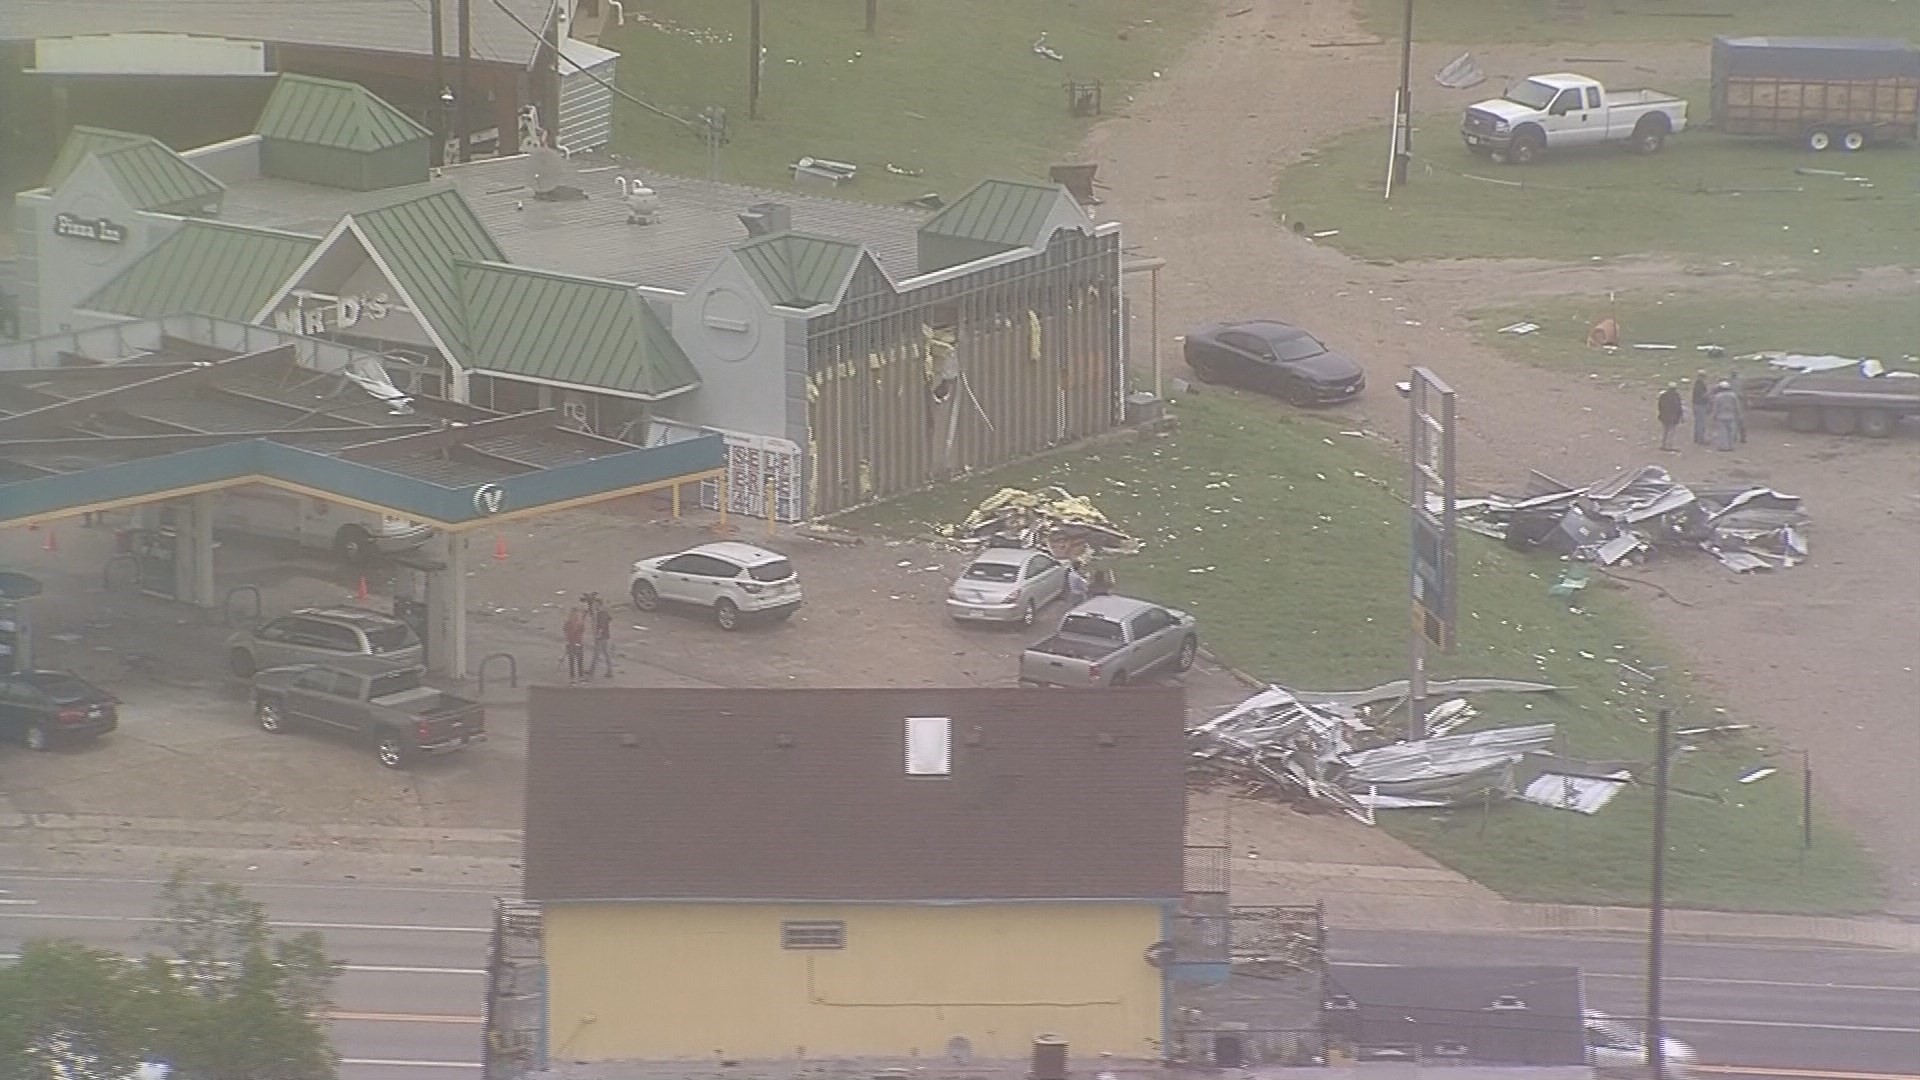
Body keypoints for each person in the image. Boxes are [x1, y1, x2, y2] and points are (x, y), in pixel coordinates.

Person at [1708, 380, 1742, 451]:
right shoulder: (1733, 395)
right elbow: (1737, 406)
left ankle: (1724, 446)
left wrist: (1713, 415)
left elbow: (1715, 407)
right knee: (1731, 431)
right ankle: (1731, 446)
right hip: (1731, 415)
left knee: (1722, 432)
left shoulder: (1718, 396)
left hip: (1721, 416)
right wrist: (1738, 414)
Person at [586, 594, 614, 679]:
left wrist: (598, 635)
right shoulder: (603, 612)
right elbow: (610, 619)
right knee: (606, 654)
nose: (594, 606)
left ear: (598, 604)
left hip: (601, 637)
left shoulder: (601, 613)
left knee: (596, 655)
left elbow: (601, 626)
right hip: (605, 636)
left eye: (595, 604)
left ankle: (591, 672)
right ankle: (609, 671)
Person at [1656, 382, 1684, 452]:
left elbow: (1660, 406)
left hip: (1664, 416)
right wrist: (1680, 416)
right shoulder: (1676, 396)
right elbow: (1678, 407)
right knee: (1671, 431)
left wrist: (1661, 413)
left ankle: (1663, 444)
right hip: (1673, 417)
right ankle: (1669, 446)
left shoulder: (1663, 395)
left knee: (1665, 431)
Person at [562, 605, 587, 682]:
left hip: (573, 643)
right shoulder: (576, 623)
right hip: (575, 643)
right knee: (577, 661)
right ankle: (578, 677)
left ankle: (575, 677)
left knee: (574, 661)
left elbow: (565, 631)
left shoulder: (570, 623)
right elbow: (581, 632)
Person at [1726, 367, 1748, 443]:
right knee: (1735, 419)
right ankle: (1735, 436)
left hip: (1738, 399)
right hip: (1733, 400)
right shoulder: (1730, 381)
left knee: (1740, 419)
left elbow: (1743, 391)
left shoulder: (1739, 380)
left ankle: (1742, 436)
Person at [1689, 370, 1711, 445]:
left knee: (1698, 422)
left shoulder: (1697, 384)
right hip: (1700, 405)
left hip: (1697, 405)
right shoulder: (1699, 385)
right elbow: (1702, 396)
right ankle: (1701, 439)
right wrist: (1709, 393)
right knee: (1701, 423)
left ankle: (1697, 438)